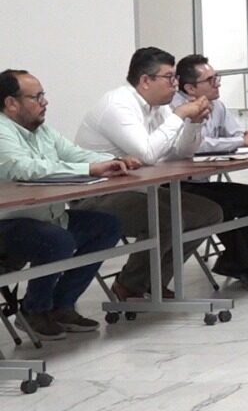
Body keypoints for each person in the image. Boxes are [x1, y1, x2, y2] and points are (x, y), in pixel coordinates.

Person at [74, 47, 224, 301]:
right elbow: (148, 154)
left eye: (175, 77)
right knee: (166, 218)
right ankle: (130, 285)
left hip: (137, 188)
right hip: (97, 194)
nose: (175, 84)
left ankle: (154, 281)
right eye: (169, 78)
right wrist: (179, 115)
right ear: (145, 80)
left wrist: (195, 122)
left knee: (209, 213)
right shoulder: (118, 105)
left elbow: (182, 152)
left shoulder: (158, 108)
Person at [0, 69, 125, 339]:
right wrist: (90, 169)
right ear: (11, 103)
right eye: (36, 97)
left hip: (49, 217)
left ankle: (62, 304)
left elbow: (76, 154)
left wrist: (115, 161)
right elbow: (24, 168)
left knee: (107, 226)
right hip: (8, 224)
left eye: (43, 95)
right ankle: (33, 309)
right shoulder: (2, 131)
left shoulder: (41, 130)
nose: (45, 102)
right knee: (57, 240)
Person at [171, 54, 248, 291]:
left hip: (201, 180)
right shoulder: (175, 108)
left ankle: (234, 260)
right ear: (189, 88)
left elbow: (235, 135)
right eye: (210, 80)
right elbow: (196, 145)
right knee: (221, 207)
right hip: (176, 184)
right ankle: (244, 266)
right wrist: (240, 141)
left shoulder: (216, 104)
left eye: (216, 77)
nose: (217, 83)